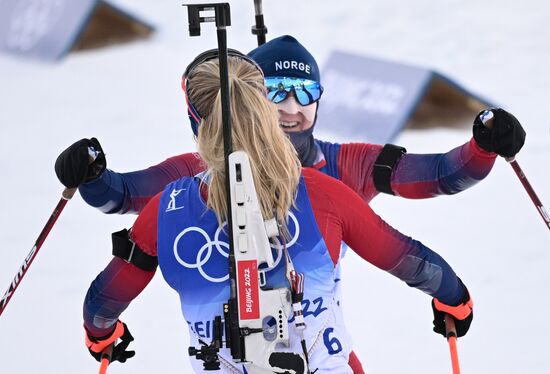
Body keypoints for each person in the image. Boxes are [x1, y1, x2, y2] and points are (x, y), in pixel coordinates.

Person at [82, 50, 474, 374]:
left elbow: (102, 304)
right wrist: (453, 298)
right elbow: (410, 260)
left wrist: (102, 334)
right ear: (264, 108)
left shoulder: (167, 208)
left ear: (195, 123)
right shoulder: (323, 192)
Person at [55, 35, 526, 216]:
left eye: (306, 94)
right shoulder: (206, 168)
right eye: (276, 92)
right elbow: (123, 196)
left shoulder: (347, 163)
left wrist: (483, 145)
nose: (292, 108)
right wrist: (90, 174)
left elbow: (443, 175)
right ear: (250, 100)